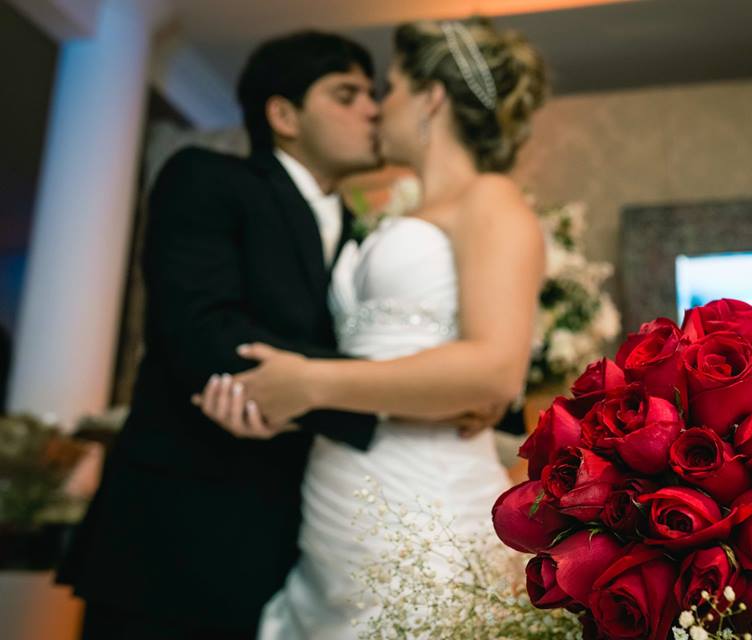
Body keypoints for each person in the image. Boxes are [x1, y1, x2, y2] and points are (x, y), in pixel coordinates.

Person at [58, 31, 497, 640]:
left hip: (301, 544)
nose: (372, 109)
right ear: (284, 115)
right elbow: (206, 335)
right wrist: (402, 403)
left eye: (373, 93)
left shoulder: (363, 231)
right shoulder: (206, 178)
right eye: (346, 94)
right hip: (177, 539)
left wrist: (450, 384)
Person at [196, 17, 548, 639]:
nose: (378, 108)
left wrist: (311, 384)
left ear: (430, 99)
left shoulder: (489, 199)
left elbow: (495, 369)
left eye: (390, 88)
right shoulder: (403, 210)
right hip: (337, 490)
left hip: (421, 495)